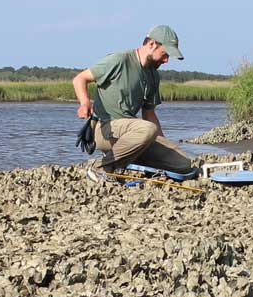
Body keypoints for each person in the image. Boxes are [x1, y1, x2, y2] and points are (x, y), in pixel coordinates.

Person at [73, 25, 197, 181]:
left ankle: (128, 157)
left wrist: (165, 145)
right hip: (105, 129)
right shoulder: (119, 60)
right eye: (165, 54)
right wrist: (85, 103)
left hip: (134, 133)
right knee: (147, 130)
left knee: (183, 163)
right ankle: (103, 168)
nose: (166, 60)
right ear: (151, 44)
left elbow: (149, 114)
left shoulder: (153, 76)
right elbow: (80, 79)